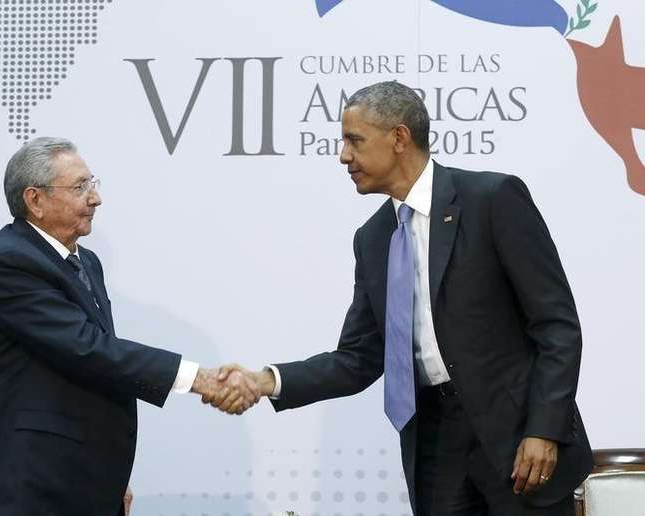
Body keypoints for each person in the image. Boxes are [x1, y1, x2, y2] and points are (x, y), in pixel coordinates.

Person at [213, 81, 592, 515]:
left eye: (354, 140)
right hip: (434, 447)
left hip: (518, 442)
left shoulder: (492, 199)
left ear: (398, 138)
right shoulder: (373, 239)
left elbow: (557, 326)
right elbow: (358, 359)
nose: (343, 156)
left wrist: (544, 429)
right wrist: (266, 380)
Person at [0, 137, 258, 516]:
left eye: (93, 183)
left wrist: (107, 476)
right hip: (29, 488)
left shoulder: (86, 262)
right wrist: (199, 379)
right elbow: (88, 348)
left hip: (78, 479)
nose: (95, 198)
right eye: (80, 187)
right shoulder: (9, 263)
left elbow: (96, 369)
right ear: (34, 200)